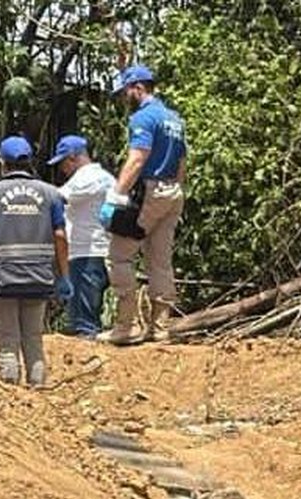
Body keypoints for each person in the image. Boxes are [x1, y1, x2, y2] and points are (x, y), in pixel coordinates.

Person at [0, 135, 73, 386]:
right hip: (40, 276)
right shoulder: (51, 194)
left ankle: (12, 394)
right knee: (33, 336)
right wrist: (64, 276)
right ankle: (38, 388)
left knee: (8, 337)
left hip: (2, 278)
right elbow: (60, 236)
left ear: (3, 163)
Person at [99, 64, 187, 345]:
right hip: (173, 192)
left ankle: (127, 325)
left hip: (149, 192)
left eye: (126, 91)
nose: (125, 97)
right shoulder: (174, 119)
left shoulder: (143, 118)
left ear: (137, 87)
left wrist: (116, 194)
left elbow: (137, 158)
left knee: (118, 255)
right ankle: (160, 328)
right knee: (160, 261)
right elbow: (182, 162)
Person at [47, 134, 116, 339]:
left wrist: (32, 189)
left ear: (74, 157)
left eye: (63, 163)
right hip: (93, 248)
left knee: (86, 315)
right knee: (81, 307)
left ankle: (87, 345)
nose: (62, 169)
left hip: (88, 250)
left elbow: (56, 196)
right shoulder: (106, 177)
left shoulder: (88, 177)